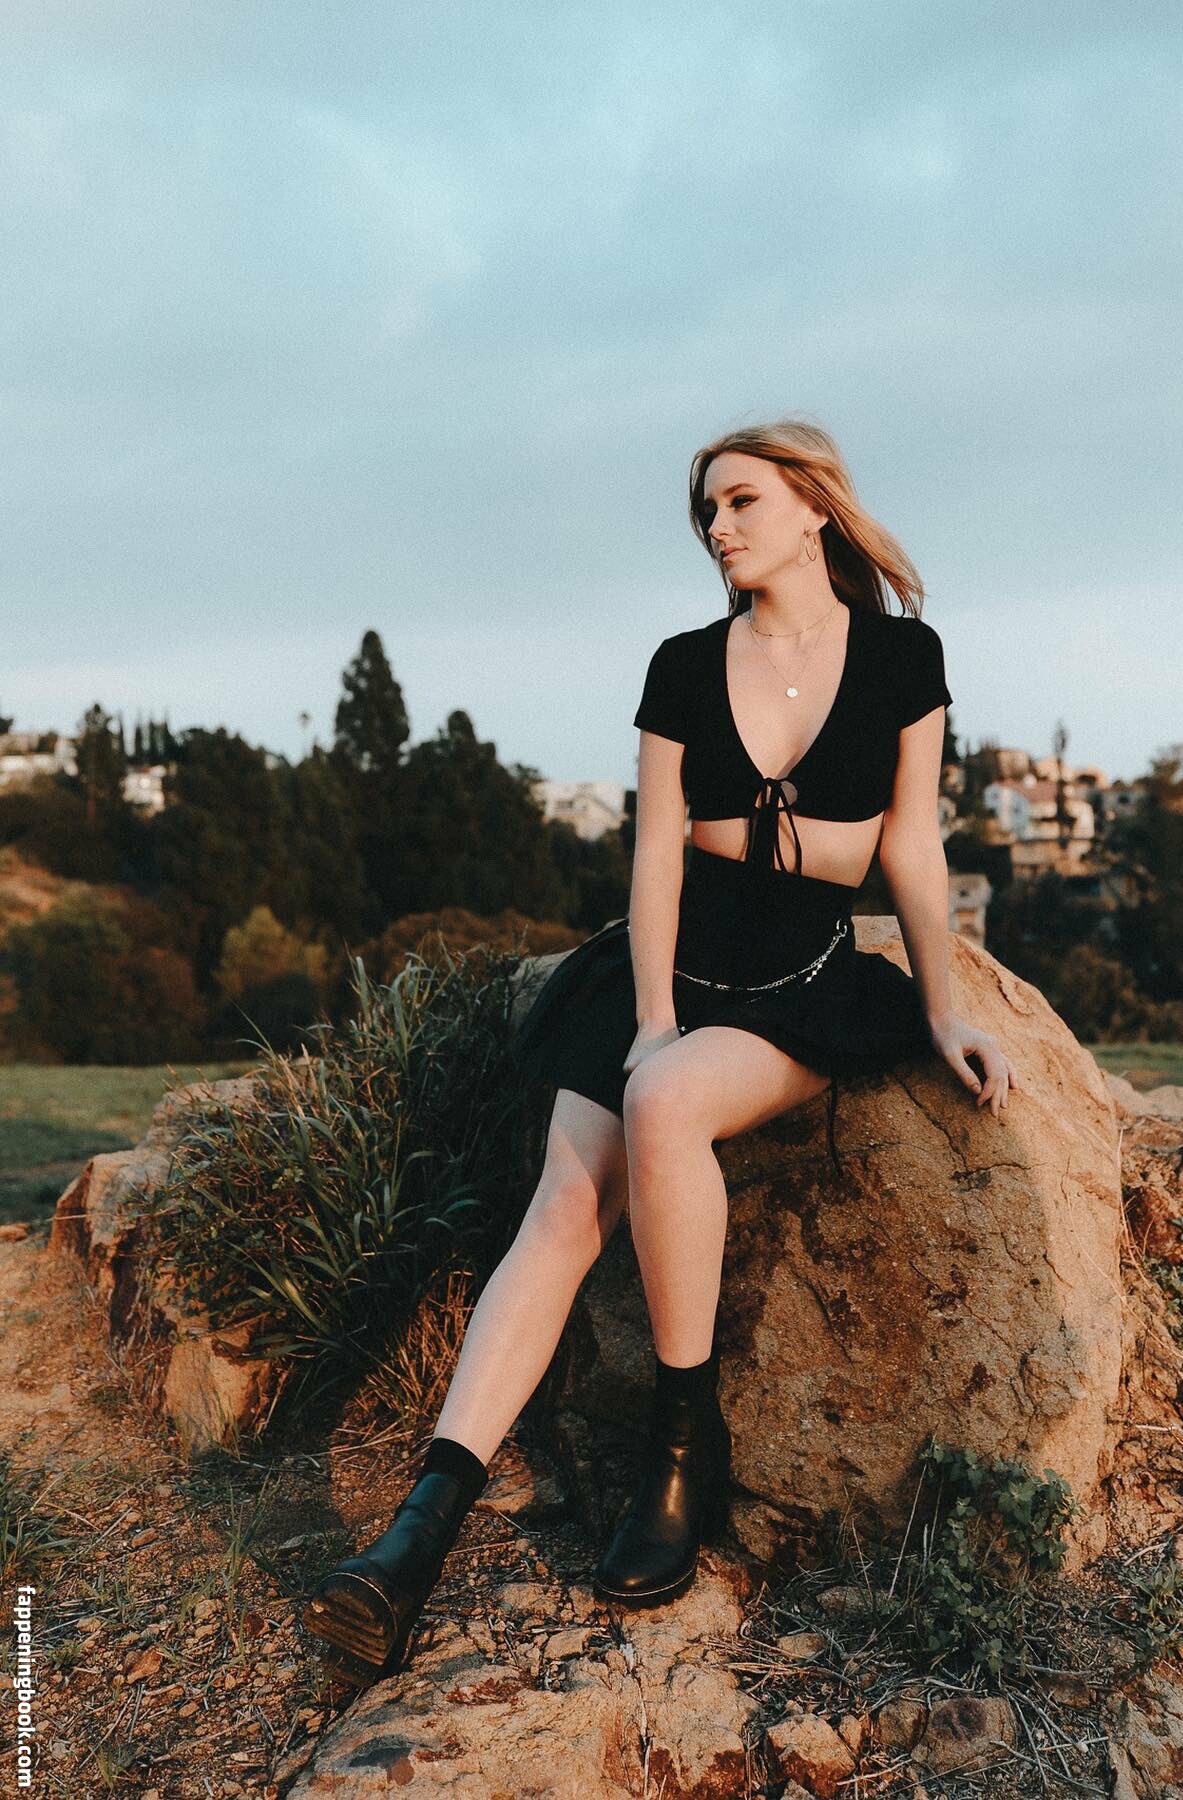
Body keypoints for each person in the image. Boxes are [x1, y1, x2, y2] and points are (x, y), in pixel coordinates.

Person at [302, 417, 1023, 1680]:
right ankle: (414, 1539)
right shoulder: (684, 665)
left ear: (814, 506)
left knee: (671, 1105)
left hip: (800, 986)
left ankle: (684, 1449)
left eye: (742, 501)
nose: (718, 527)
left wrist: (943, 1003)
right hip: (668, 973)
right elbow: (653, 853)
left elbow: (910, 844)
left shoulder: (904, 656)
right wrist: (646, 1018)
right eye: (708, 511)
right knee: (565, 1206)